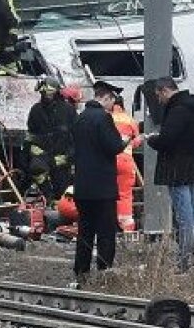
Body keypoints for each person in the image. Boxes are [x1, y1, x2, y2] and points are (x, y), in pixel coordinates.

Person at [143, 77, 194, 272]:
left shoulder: (177, 110)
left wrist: (152, 140)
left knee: (184, 215)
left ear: (164, 90)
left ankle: (183, 260)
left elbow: (168, 140)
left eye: (158, 95)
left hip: (177, 168)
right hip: (193, 166)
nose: (159, 100)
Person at [71, 81, 129, 280]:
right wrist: (125, 141)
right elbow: (113, 146)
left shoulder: (80, 118)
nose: (113, 106)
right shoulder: (103, 118)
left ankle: (81, 270)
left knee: (85, 230)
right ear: (106, 98)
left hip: (82, 186)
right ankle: (105, 269)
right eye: (113, 101)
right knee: (105, 231)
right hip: (102, 187)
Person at [26, 77, 76, 200]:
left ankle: (62, 207)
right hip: (43, 154)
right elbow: (31, 133)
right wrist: (33, 147)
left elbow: (77, 136)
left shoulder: (68, 110)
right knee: (36, 169)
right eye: (43, 92)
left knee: (62, 189)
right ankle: (48, 198)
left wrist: (68, 157)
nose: (45, 95)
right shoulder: (36, 110)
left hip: (62, 156)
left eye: (49, 92)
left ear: (56, 92)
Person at [111, 95, 141, 232]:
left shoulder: (106, 118)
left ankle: (109, 225)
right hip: (125, 160)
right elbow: (136, 142)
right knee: (125, 194)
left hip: (108, 160)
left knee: (107, 193)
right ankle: (127, 229)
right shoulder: (130, 120)